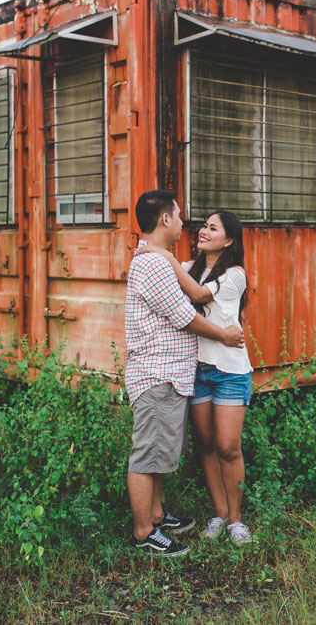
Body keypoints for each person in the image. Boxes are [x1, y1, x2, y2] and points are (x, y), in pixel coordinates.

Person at [124, 190, 244, 556]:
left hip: (179, 374)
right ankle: (144, 531)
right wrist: (224, 334)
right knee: (148, 454)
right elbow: (186, 316)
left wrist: (162, 253)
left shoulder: (169, 262)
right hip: (158, 372)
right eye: (178, 215)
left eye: (210, 226)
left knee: (162, 451)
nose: (185, 223)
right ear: (164, 220)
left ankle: (158, 515)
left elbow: (196, 294)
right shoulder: (156, 264)